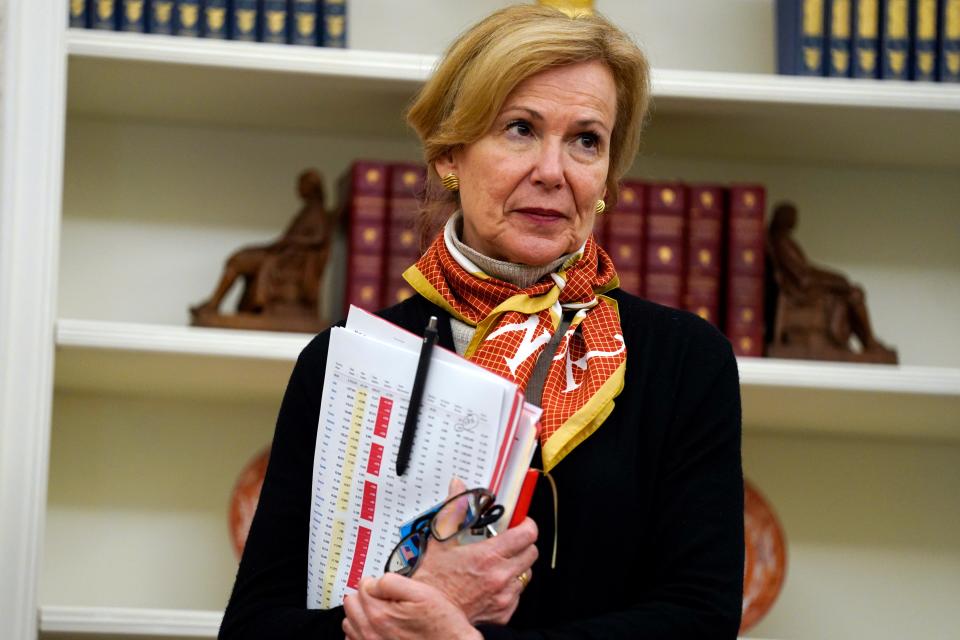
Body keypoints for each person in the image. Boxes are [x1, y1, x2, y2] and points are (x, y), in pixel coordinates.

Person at [220, 5, 744, 640]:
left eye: (586, 140)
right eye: (520, 128)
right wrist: (421, 602)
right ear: (449, 154)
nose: (553, 172)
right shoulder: (344, 359)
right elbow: (253, 629)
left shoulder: (686, 361)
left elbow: (699, 620)